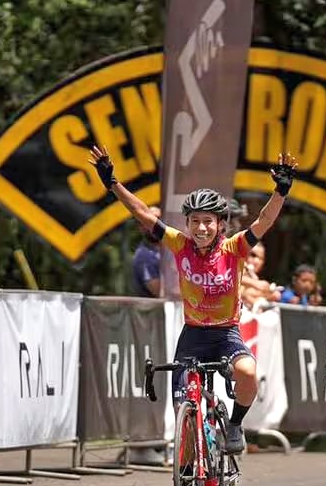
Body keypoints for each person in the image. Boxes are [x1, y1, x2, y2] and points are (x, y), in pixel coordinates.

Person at [90, 145, 298, 455]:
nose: (201, 228)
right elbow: (144, 214)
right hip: (194, 335)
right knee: (185, 413)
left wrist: (280, 192)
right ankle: (189, 477)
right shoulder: (180, 244)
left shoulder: (235, 248)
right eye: (195, 221)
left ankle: (235, 424)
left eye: (208, 222)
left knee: (248, 373)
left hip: (226, 333)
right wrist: (112, 182)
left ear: (220, 224)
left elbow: (264, 221)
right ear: (188, 223)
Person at [240, 242, 282, 311]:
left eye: (261, 258)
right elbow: (234, 279)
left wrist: (268, 293)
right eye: (253, 255)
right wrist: (255, 284)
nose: (256, 261)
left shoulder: (254, 276)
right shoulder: (238, 270)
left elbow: (275, 296)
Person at [132, 205, 163, 297]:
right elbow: (160, 293)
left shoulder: (172, 248)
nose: (155, 224)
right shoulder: (144, 256)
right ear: (140, 227)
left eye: (159, 219)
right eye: (148, 221)